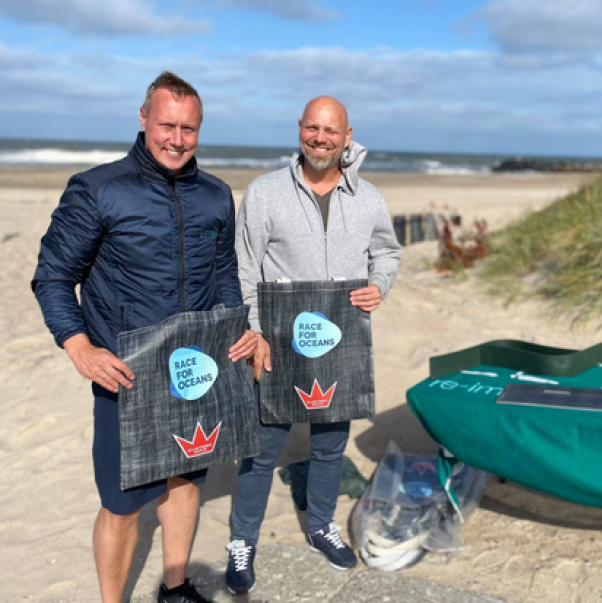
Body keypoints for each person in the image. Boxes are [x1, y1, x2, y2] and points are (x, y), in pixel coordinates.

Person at [32, 71, 257, 603]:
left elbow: (225, 273)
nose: (177, 139)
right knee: (122, 502)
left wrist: (239, 328)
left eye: (189, 128)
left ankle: (174, 588)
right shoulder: (98, 190)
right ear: (143, 119)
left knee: (185, 483)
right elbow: (53, 276)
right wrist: (78, 344)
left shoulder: (216, 195)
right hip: (126, 372)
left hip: (195, 369)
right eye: (167, 125)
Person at [225, 96, 402, 593]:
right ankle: (242, 541)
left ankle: (321, 524)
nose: (320, 138)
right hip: (276, 341)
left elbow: (388, 252)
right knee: (262, 451)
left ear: (347, 136)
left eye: (331, 130)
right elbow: (243, 267)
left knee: (329, 447)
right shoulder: (264, 193)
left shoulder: (367, 197)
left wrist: (379, 284)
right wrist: (253, 331)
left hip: (338, 340)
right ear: (299, 129)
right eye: (312, 128)